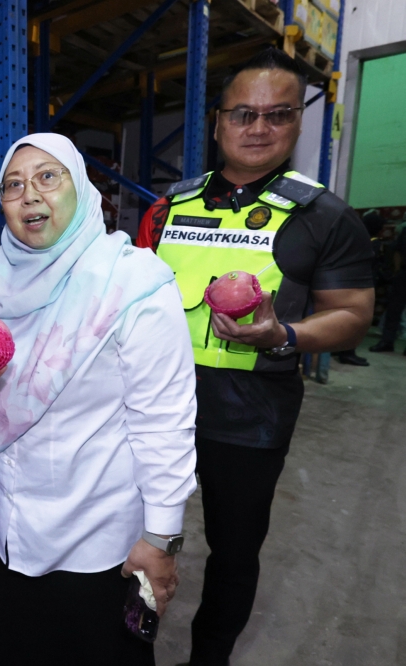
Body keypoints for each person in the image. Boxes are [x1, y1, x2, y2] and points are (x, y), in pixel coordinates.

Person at [136, 48, 374, 665]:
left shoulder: (325, 216)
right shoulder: (168, 209)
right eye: (243, 114)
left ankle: (208, 658)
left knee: (233, 551)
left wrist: (282, 337)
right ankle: (121, 645)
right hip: (149, 409)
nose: (259, 127)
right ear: (217, 123)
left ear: (297, 123)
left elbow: (352, 314)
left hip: (250, 417)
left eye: (278, 114)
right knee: (127, 535)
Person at [0, 133, 198, 665]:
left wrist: (161, 537)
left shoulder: (132, 281)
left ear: (82, 187)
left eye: (48, 177)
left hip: (91, 532)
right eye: (13, 184)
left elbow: (164, 422)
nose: (29, 195)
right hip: (2, 517)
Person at [334, 209, 387, 365]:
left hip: (347, 284)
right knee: (356, 318)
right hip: (361, 286)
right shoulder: (374, 244)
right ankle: (348, 352)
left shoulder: (356, 240)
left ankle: (342, 349)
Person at [369, 212, 406, 354]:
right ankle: (387, 342)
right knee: (394, 310)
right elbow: (398, 251)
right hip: (403, 273)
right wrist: (397, 271)